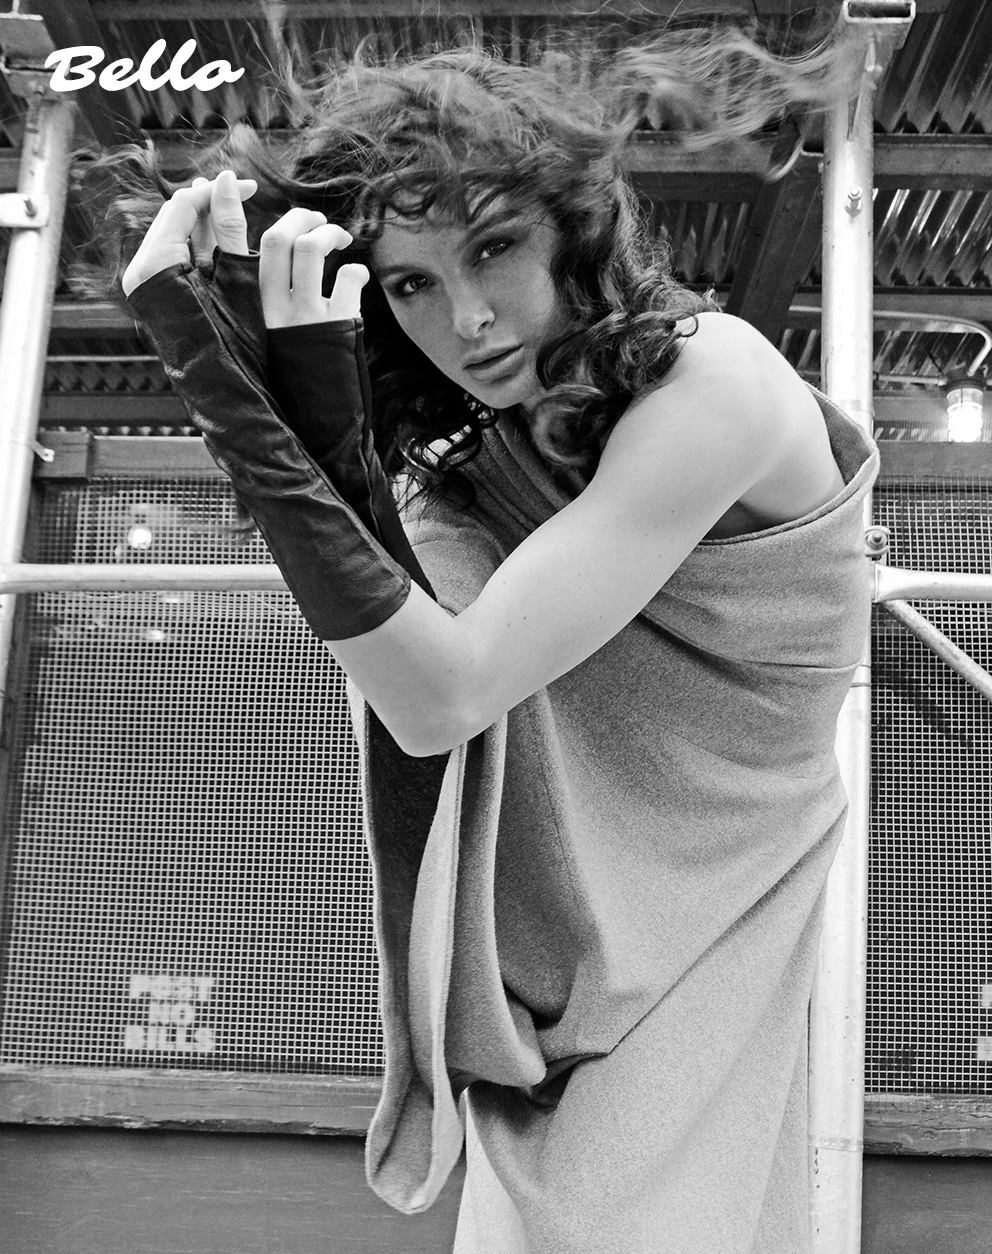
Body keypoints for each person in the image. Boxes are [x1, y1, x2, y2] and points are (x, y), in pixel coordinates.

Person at [108, 20, 878, 1253]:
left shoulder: (714, 384)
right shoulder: (471, 469)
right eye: (410, 283)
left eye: (495, 246)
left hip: (711, 906)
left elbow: (447, 695)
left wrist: (234, 412)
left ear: (573, 231)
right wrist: (318, 424)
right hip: (557, 947)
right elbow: (401, 662)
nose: (467, 318)